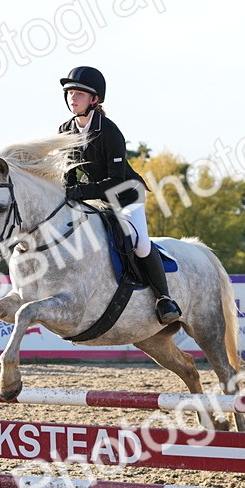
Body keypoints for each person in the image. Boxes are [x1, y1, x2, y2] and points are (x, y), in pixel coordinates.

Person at [57, 66, 181, 324]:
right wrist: (66, 191)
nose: (72, 98)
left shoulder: (110, 132)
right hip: (95, 198)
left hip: (126, 195)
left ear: (94, 100)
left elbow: (115, 180)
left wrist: (80, 191)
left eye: (79, 93)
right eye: (70, 93)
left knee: (141, 244)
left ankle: (164, 298)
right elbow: (67, 171)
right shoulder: (64, 130)